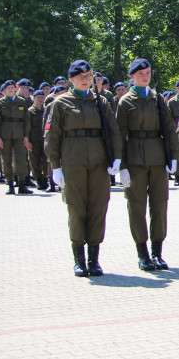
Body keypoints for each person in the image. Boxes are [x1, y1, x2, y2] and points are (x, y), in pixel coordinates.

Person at [44, 59, 123, 276]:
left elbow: (113, 131)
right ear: (71, 79)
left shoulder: (101, 102)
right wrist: (55, 166)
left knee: (98, 208)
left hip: (98, 162)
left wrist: (117, 158)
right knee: (77, 209)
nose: (85, 81)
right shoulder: (60, 104)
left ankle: (94, 259)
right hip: (73, 162)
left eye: (89, 77)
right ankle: (79, 258)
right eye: (81, 77)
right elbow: (52, 136)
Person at [116, 58, 179, 271]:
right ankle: (142, 253)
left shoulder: (158, 99)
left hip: (157, 156)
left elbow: (170, 129)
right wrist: (122, 165)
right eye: (141, 73)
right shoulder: (126, 102)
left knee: (160, 205)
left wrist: (173, 156)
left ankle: (157, 252)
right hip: (135, 157)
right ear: (132, 77)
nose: (145, 76)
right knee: (136, 206)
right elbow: (120, 136)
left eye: (148, 73)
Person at [0, 80, 32, 195]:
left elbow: (26, 120)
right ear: (5, 90)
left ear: (15, 88)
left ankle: (21, 184)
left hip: (19, 134)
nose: (10, 89)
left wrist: (26, 136)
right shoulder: (0, 103)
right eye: (8, 88)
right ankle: (10, 185)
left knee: (21, 159)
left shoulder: (21, 101)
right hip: (5, 135)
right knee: (6, 159)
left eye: (12, 87)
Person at [27, 91, 49, 190]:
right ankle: (39, 180)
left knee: (46, 161)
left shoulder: (46, 111)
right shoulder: (29, 111)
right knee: (35, 161)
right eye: (38, 97)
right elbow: (27, 128)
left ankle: (45, 179)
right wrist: (27, 141)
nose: (40, 99)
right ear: (33, 98)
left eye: (42, 97)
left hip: (44, 139)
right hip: (34, 140)